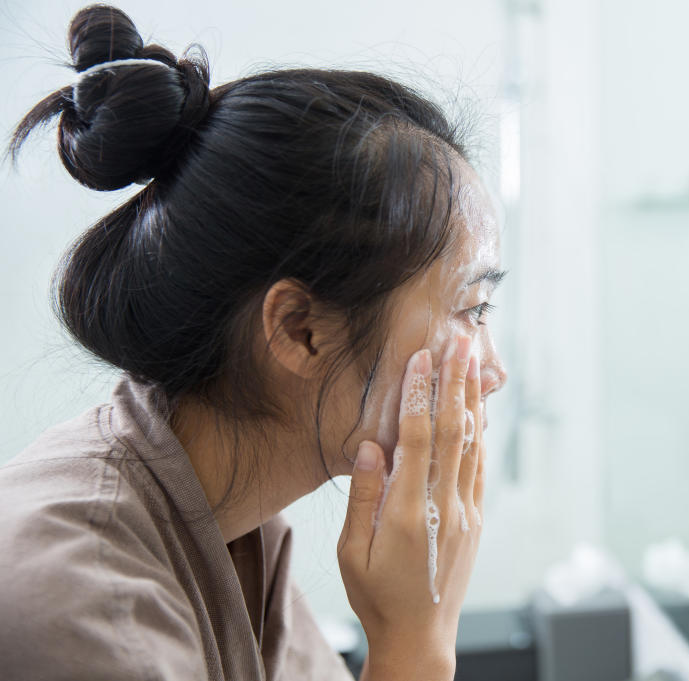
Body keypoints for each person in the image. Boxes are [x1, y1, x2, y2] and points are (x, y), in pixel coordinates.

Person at [0, 4, 507, 680]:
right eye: (472, 308)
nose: (492, 370)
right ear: (300, 330)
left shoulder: (240, 528)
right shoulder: (83, 604)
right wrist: (415, 641)